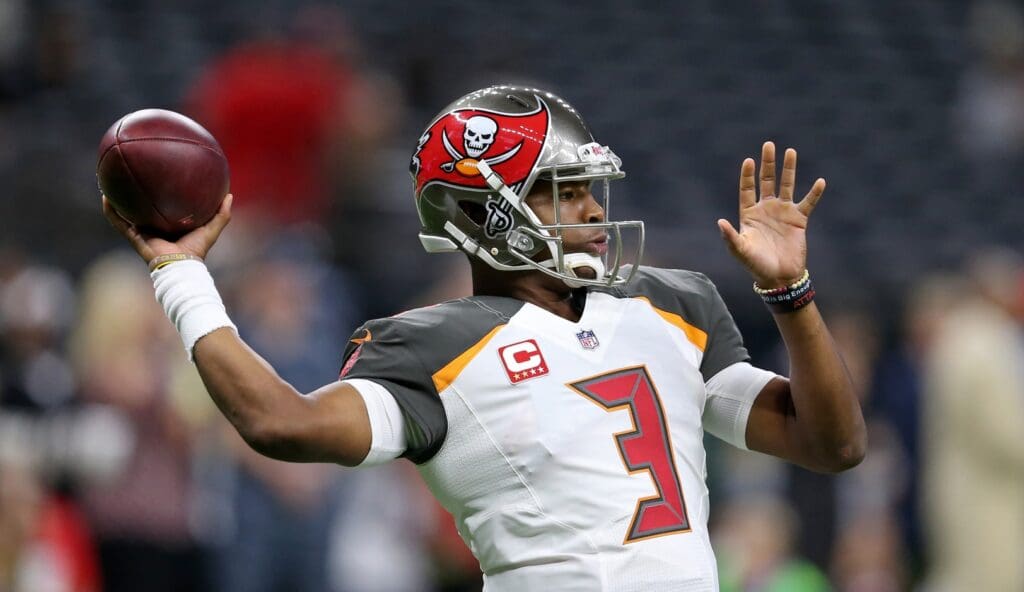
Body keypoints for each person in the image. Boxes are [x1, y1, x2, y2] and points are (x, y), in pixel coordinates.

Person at [101, 85, 866, 591]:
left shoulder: (673, 304)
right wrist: (181, 276)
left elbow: (831, 443)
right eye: (562, 193)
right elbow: (281, 423)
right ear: (481, 216)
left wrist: (789, 296)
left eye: (590, 188)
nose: (594, 210)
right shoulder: (429, 347)